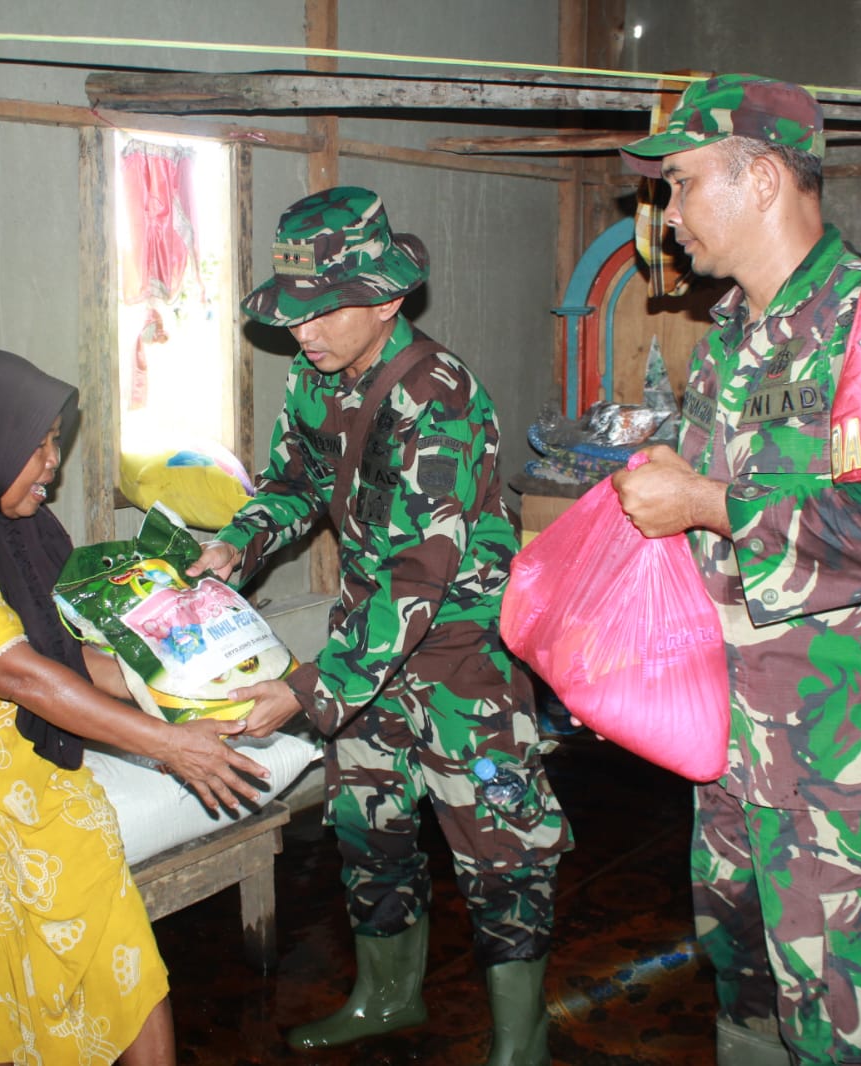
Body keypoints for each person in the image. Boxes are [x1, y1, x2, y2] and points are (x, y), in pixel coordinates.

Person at [613, 75, 861, 1066]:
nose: (668, 216)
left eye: (681, 185)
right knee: (751, 998)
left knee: (852, 1030)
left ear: (762, 175)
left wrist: (706, 503)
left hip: (840, 767)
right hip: (732, 755)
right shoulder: (730, 339)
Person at [188, 187, 572, 1066]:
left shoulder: (437, 398)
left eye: (320, 311)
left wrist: (306, 690)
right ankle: (385, 998)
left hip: (457, 661)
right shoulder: (316, 374)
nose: (302, 333)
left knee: (500, 851)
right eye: (290, 314)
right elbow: (290, 482)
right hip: (369, 650)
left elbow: (415, 574)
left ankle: (522, 1040)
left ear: (387, 299)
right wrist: (234, 545)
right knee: (371, 830)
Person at [0, 348, 269, 1066]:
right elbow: (19, 676)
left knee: (117, 942)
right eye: (36, 449)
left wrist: (184, 687)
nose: (52, 466)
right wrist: (169, 747)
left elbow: (71, 663)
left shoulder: (16, 533)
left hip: (26, 766)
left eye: (56, 443)